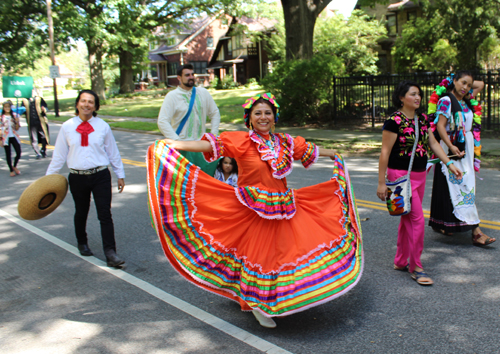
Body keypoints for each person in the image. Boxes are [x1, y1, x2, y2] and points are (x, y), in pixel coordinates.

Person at [147, 93, 363, 328]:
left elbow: (309, 150)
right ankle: (255, 303)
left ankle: (272, 296)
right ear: (249, 118)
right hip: (251, 208)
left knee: (281, 255)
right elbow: (208, 145)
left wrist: (335, 154)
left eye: (267, 113)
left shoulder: (285, 143)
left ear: (274, 117)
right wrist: (174, 144)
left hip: (281, 206)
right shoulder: (242, 140)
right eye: (257, 113)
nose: (263, 117)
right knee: (259, 256)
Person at [377, 81, 463, 286]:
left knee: (406, 218)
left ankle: (400, 261)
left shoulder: (423, 119)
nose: (418, 98)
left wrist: (449, 163)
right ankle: (416, 267)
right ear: (401, 97)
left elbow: (432, 143)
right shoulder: (394, 121)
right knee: (416, 220)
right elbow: (385, 152)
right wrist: (382, 183)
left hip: (419, 175)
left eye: (419, 95)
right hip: (399, 176)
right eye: (413, 94)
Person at [46, 90, 126, 268]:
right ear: (77, 104)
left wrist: (120, 174)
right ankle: (82, 242)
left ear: (95, 106)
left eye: (91, 102)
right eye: (83, 101)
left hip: (100, 176)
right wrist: (47, 180)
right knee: (81, 211)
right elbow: (59, 156)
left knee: (105, 214)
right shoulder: (67, 127)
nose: (86, 105)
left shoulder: (102, 126)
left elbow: (113, 152)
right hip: (77, 177)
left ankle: (110, 253)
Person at [428, 71, 495, 246]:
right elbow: (440, 127)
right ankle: (476, 232)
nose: (466, 87)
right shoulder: (446, 101)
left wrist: (465, 85)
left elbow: (480, 85)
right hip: (452, 146)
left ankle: (445, 223)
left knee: (463, 184)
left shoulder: (466, 101)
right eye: (462, 83)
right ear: (454, 81)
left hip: (466, 148)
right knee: (461, 185)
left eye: (468, 84)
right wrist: (451, 147)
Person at [157, 63, 221, 176]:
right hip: (183, 148)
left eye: (192, 74)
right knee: (185, 185)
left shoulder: (203, 93)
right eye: (187, 75)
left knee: (206, 181)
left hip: (201, 147)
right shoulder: (172, 96)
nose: (191, 77)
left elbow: (215, 113)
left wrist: (213, 135)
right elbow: (162, 121)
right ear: (179, 78)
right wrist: (177, 141)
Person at [1, 101, 22, 177]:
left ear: (10, 107)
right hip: (5, 137)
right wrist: (0, 140)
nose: (7, 108)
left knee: (19, 152)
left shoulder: (14, 115)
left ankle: (15, 166)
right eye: (5, 107)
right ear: (3, 108)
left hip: (14, 136)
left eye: (8, 107)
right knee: (8, 154)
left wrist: (17, 122)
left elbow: (17, 128)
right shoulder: (1, 117)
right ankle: (11, 170)